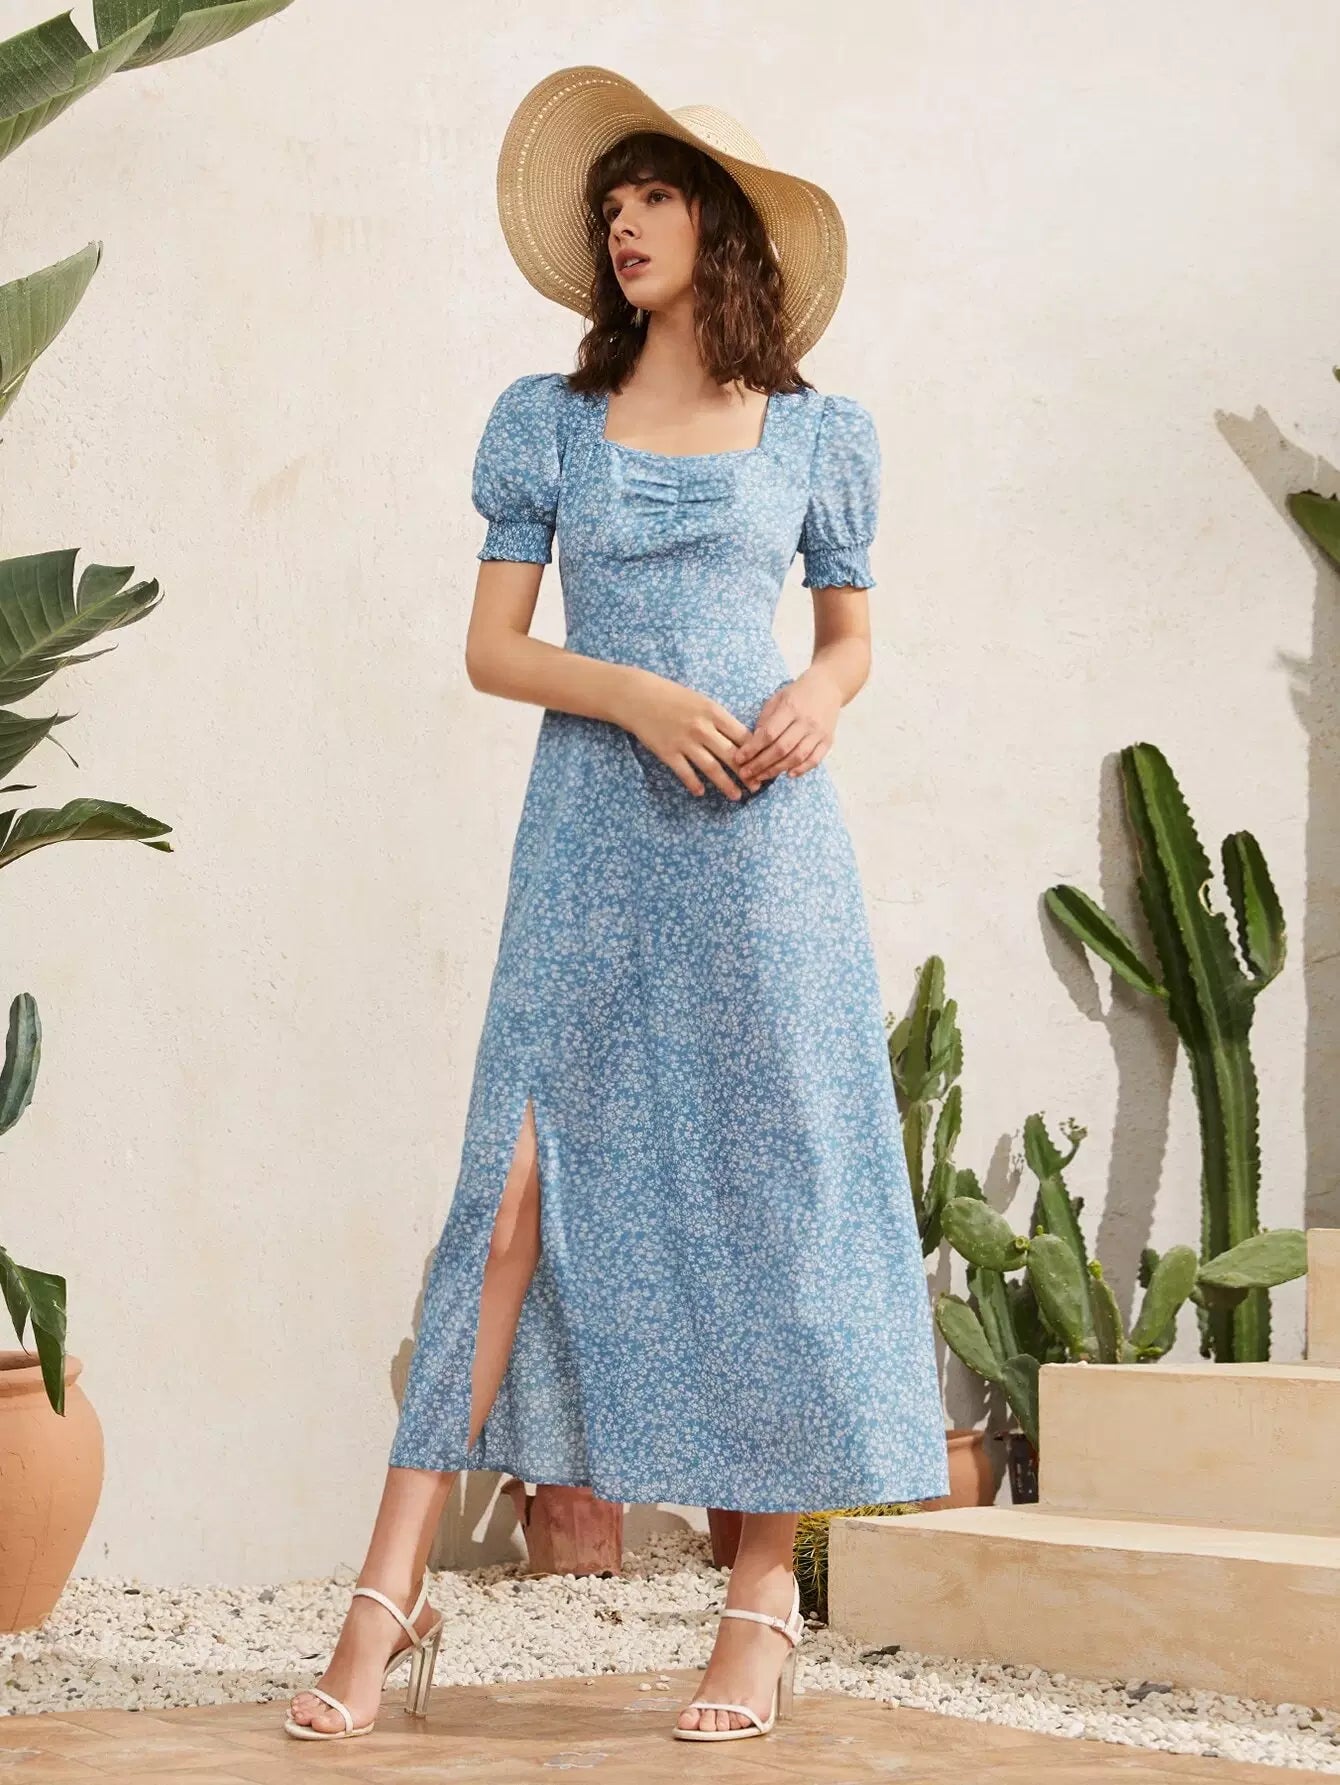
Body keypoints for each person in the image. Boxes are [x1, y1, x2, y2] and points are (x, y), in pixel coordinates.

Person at [285, 62, 949, 1749]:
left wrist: (821, 697)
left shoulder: (819, 435)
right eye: (611, 204)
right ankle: (388, 1592)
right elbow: (493, 647)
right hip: (589, 838)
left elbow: (852, 638)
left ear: (723, 224)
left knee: (773, 1190)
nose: (625, 224)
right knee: (508, 1196)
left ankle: (756, 1609)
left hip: (762, 849)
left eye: (654, 195)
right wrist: (637, 695)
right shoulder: (549, 420)